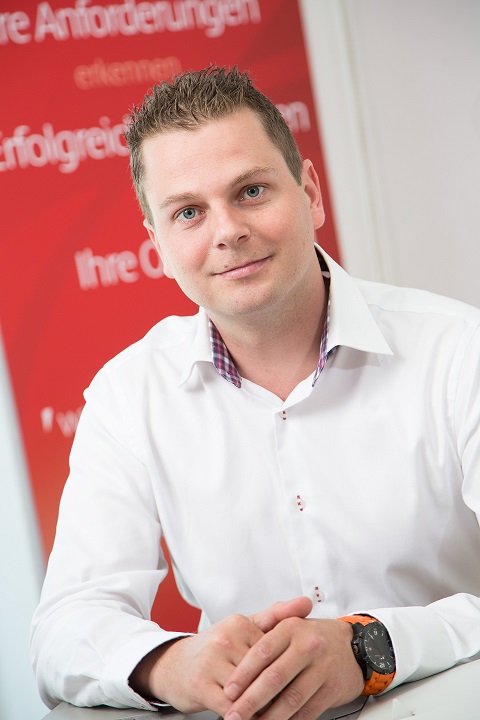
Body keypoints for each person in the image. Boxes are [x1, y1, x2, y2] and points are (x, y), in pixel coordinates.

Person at [31, 66, 480, 719]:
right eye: (188, 212)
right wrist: (169, 663)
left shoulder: (459, 351)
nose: (227, 231)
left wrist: (371, 648)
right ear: (158, 246)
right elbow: (64, 627)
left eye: (250, 191)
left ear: (310, 194)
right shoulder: (128, 396)